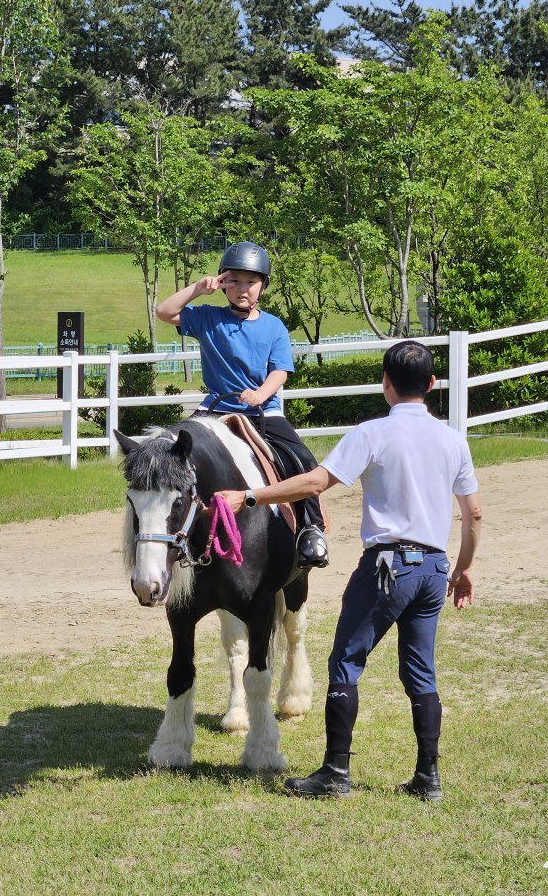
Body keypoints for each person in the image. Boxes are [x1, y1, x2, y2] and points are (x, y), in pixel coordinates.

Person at [214, 340, 482, 801]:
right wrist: (463, 569)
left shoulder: (373, 433)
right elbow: (473, 514)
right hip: (434, 569)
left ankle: (336, 773)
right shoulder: (453, 439)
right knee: (421, 673)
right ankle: (428, 778)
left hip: (387, 565)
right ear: (433, 384)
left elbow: (317, 482)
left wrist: (251, 496)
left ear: (385, 383)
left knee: (345, 662)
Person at [155, 241, 329, 568]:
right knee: (175, 451)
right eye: (233, 281)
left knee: (302, 457)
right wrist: (197, 288)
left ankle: (311, 529)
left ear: (263, 285)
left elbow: (280, 371)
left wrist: (262, 393)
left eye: (251, 282)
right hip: (216, 406)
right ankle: (173, 529)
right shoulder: (208, 318)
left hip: (264, 410)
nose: (242, 289)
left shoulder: (274, 326)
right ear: (223, 283)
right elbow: (164, 312)